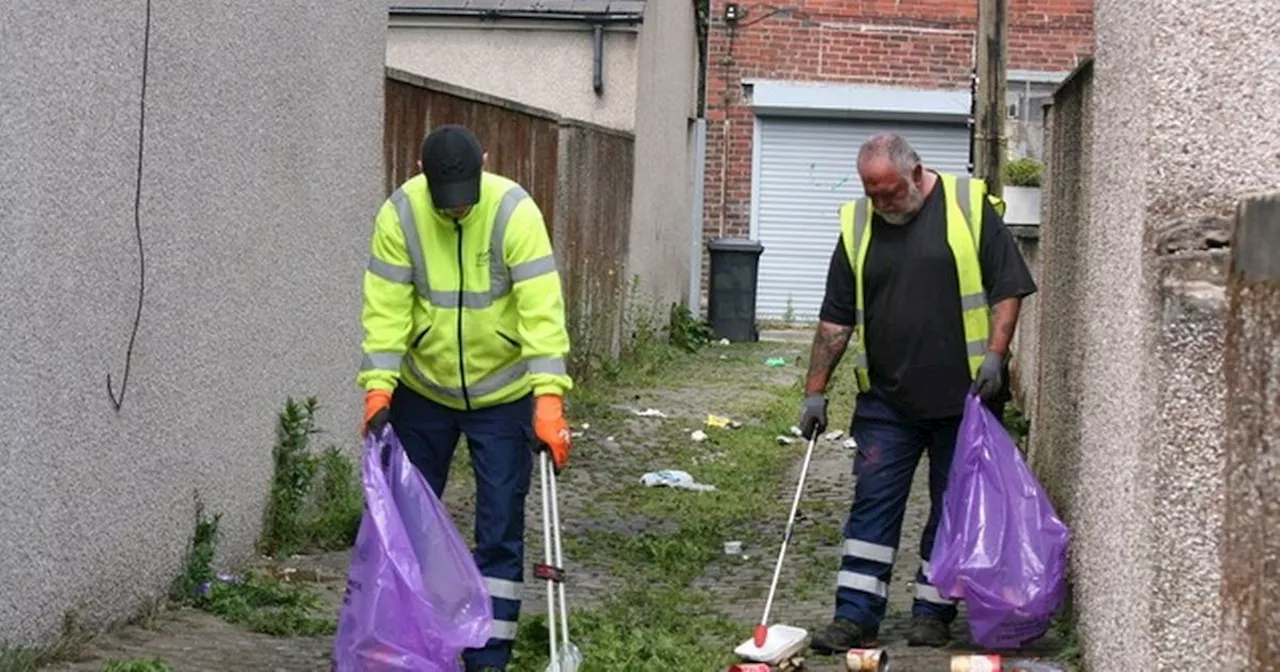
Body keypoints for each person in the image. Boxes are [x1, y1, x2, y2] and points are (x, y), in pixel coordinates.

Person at [800, 133, 1037, 653]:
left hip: (966, 402)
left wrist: (996, 355)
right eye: (872, 193)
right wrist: (814, 392)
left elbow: (1008, 289)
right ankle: (854, 616)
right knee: (872, 506)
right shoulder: (858, 225)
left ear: (916, 174)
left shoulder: (968, 207)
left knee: (950, 509)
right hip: (887, 402)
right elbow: (835, 319)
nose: (881, 204)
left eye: (889, 192)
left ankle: (933, 613)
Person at [357, 123, 574, 671]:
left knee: (499, 528)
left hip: (502, 394)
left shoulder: (513, 213)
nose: (455, 212)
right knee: (408, 522)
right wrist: (378, 391)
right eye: (445, 202)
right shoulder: (401, 215)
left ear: (484, 163)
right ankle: (411, 641)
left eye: (463, 201)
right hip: (424, 390)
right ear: (423, 177)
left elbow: (541, 311)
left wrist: (548, 399)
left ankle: (488, 655)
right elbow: (386, 309)